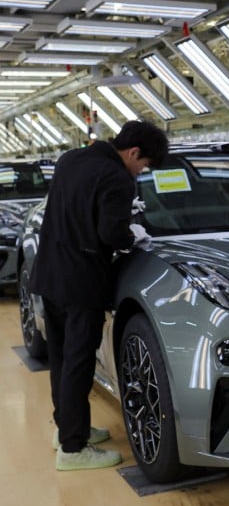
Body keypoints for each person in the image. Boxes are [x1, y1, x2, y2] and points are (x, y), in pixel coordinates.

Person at [30, 119, 169, 471]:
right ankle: (73, 451)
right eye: (145, 165)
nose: (142, 172)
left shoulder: (71, 159)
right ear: (134, 152)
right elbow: (110, 234)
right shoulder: (117, 178)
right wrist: (133, 235)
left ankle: (67, 430)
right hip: (81, 283)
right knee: (78, 362)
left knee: (61, 357)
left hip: (51, 275)